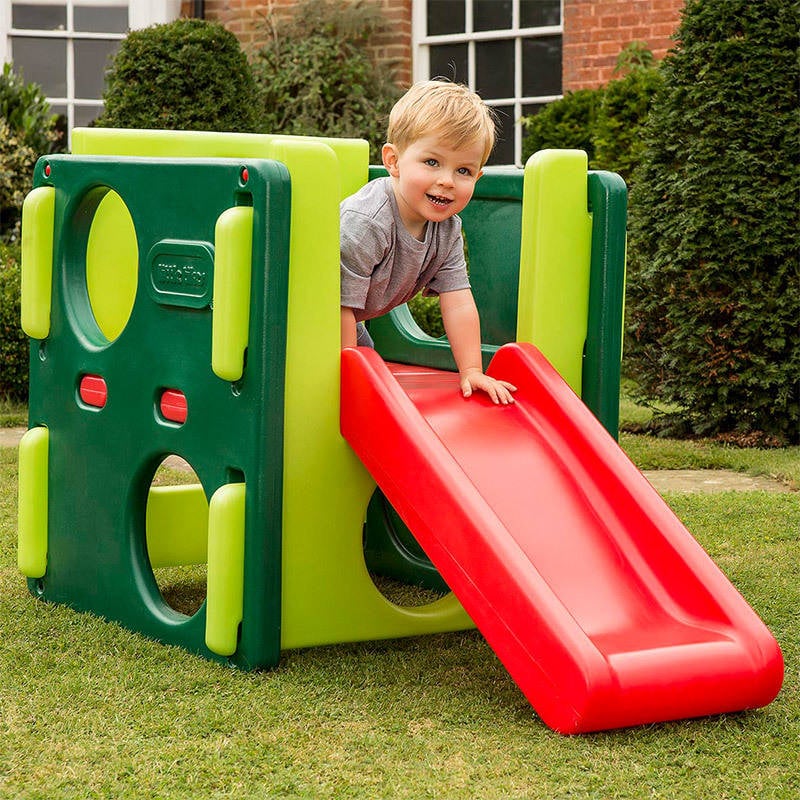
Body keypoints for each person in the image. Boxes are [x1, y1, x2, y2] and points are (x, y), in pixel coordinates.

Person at [340, 80, 517, 405]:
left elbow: (458, 300)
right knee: (354, 384)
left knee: (369, 377)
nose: (447, 180)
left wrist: (472, 370)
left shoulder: (446, 230)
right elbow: (335, 307)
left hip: (346, 318)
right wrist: (348, 377)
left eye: (463, 170)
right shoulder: (367, 221)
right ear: (393, 161)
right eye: (432, 162)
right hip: (302, 317)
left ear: (477, 178)